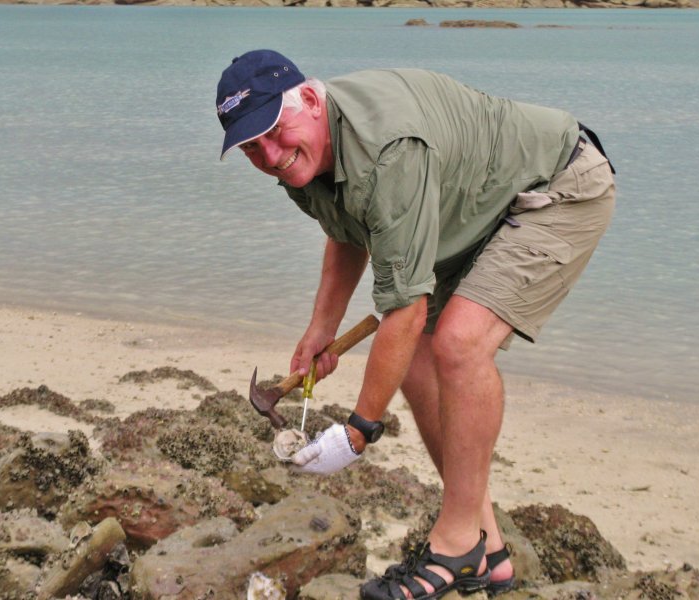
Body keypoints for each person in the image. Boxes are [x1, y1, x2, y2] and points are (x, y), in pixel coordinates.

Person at [216, 49, 615, 600]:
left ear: (309, 99)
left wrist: (357, 431)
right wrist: (319, 330)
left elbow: (402, 309)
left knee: (457, 344)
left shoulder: (387, 151)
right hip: (469, 210)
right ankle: (487, 550)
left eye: (274, 133)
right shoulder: (300, 156)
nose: (270, 155)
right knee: (415, 362)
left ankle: (455, 545)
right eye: (250, 147)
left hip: (557, 186)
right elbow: (349, 229)